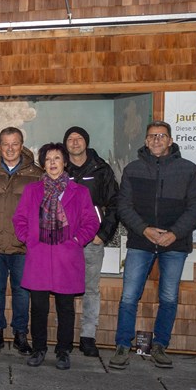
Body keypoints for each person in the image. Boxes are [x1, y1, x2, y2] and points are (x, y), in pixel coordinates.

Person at [110, 121, 196, 370]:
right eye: (152, 136)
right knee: (129, 296)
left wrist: (174, 234)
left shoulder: (188, 170)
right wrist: (144, 229)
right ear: (145, 141)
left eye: (161, 136)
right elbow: (123, 206)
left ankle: (161, 345)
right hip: (141, 242)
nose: (156, 140)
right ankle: (122, 345)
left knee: (168, 297)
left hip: (174, 245)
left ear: (170, 140)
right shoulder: (133, 169)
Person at [13, 143, 100, 369]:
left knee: (66, 307)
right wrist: (29, 239)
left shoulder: (79, 192)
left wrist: (77, 241)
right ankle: (39, 348)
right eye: (48, 159)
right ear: (43, 164)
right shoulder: (32, 190)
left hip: (67, 257)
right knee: (39, 307)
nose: (53, 163)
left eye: (57, 158)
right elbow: (19, 219)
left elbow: (91, 222)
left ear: (65, 163)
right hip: (39, 256)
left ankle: (63, 351)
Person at [0, 127, 42, 355]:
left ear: (22, 145)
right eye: (5, 144)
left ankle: (21, 334)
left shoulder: (37, 174)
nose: (10, 148)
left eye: (15, 144)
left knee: (22, 292)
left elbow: (44, 211)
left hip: (24, 246)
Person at [63, 126, 119, 357]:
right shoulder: (60, 168)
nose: (75, 143)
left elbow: (115, 203)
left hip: (91, 241)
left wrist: (103, 234)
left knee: (90, 290)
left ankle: (88, 337)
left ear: (86, 142)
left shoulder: (101, 169)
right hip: (63, 242)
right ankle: (63, 337)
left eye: (79, 139)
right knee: (61, 289)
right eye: (70, 139)